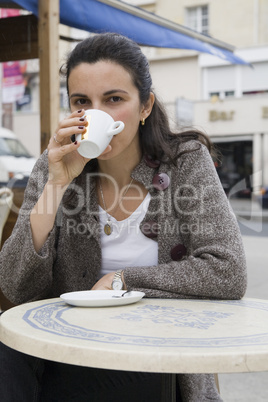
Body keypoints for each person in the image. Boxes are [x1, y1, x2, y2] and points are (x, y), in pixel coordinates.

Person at [0, 33, 247, 401]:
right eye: (82, 102)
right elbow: (16, 286)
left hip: (157, 356)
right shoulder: (53, 166)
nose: (97, 113)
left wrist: (123, 279)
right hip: (66, 351)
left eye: (114, 99)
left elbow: (228, 271)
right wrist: (56, 186)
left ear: (145, 106)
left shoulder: (185, 162)